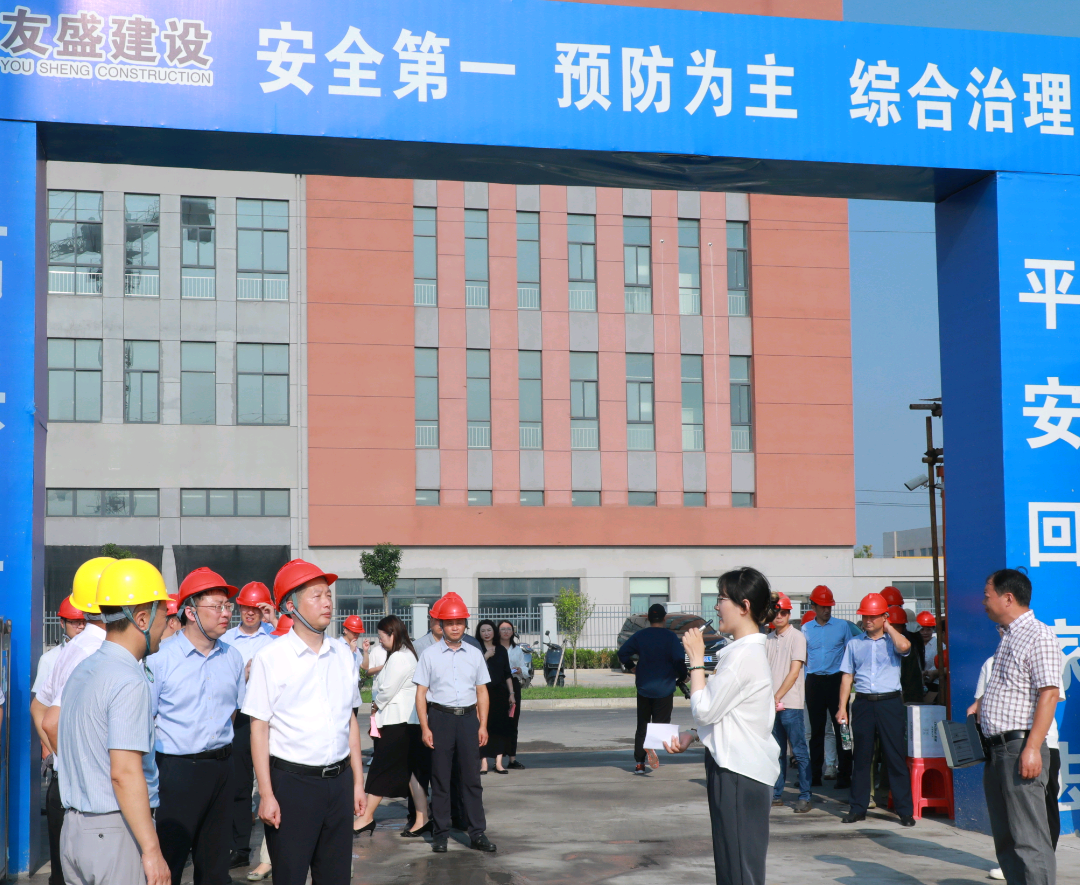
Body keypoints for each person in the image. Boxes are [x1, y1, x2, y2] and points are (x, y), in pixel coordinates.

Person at [242, 560, 365, 885]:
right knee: (291, 876)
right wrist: (266, 794)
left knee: (336, 877)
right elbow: (258, 729)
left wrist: (357, 782)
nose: (327, 602)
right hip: (292, 786)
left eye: (328, 594)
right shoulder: (272, 658)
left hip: (338, 784)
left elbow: (350, 721)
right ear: (290, 606)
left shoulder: (342, 654)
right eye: (316, 595)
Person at [57, 558, 172, 885]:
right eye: (164, 613)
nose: (167, 624)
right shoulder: (128, 680)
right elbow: (124, 772)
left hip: (74, 832)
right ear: (142, 617)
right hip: (115, 831)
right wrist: (151, 850)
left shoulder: (84, 668)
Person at [664, 568, 780, 885]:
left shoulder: (745, 656)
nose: (716, 607)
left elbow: (704, 710)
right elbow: (724, 716)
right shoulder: (741, 653)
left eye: (721, 599)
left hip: (739, 774)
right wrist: (691, 735)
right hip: (733, 768)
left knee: (739, 870)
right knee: (732, 867)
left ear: (743, 606)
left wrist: (697, 660)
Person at [146, 568, 245, 885]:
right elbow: (144, 721)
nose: (226, 613)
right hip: (177, 772)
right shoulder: (161, 659)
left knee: (216, 866)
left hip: (222, 768)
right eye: (216, 606)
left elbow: (232, 713)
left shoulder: (232, 657)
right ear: (190, 611)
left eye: (228, 606)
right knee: (169, 862)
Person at [968, 568, 1064, 885]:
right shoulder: (1009, 638)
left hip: (1020, 749)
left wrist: (1033, 748)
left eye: (987, 595)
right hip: (998, 751)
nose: (983, 602)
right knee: (1007, 839)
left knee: (1029, 841)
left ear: (1008, 598)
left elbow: (1049, 694)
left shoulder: (1038, 635)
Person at [32, 557, 116, 885]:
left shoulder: (75, 648)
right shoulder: (94, 651)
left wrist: (63, 761)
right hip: (96, 799)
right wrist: (75, 764)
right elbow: (50, 720)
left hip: (77, 790)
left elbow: (39, 710)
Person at [413, 592, 496, 854]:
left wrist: (482, 725)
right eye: (449, 623)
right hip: (440, 719)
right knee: (440, 778)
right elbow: (421, 694)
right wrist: (425, 727)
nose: (455, 627)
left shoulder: (474, 654)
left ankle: (477, 833)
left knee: (472, 778)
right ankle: (440, 833)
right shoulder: (428, 655)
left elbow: (482, 691)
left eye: (459, 622)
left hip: (469, 719)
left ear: (464, 624)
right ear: (440, 625)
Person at [836, 592, 915, 826]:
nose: (867, 620)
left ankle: (904, 811)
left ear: (884, 617)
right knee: (861, 757)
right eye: (865, 616)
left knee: (895, 756)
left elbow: (905, 646)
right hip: (862, 703)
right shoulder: (854, 644)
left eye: (873, 616)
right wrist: (843, 708)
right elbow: (847, 677)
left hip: (890, 703)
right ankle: (858, 807)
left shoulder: (894, 640)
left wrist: (889, 627)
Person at [352, 615, 431, 837]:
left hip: (399, 721)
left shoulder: (400, 657)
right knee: (410, 772)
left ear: (393, 634)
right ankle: (423, 817)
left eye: (382, 637)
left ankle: (366, 817)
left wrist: (375, 705)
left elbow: (387, 689)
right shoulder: (403, 654)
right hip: (405, 721)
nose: (380, 641)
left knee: (381, 769)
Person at [222, 581, 277, 869]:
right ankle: (241, 847)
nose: (250, 613)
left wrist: (276, 622)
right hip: (241, 718)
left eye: (256, 608)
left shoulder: (275, 637)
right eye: (246, 608)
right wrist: (242, 676)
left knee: (275, 782)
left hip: (271, 719)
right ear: (239, 608)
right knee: (241, 785)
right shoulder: (228, 640)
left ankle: (276, 848)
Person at [617, 603, 688, 774]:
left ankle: (639, 763)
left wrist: (630, 666)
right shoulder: (670, 637)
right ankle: (651, 746)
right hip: (664, 688)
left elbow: (622, 653)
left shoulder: (640, 635)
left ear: (648, 619)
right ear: (664, 618)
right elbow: (679, 660)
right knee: (661, 725)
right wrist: (683, 675)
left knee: (642, 725)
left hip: (644, 687)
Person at [802, 584, 855, 789]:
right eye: (822, 606)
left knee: (842, 728)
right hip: (814, 682)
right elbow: (804, 656)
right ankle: (814, 775)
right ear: (813, 606)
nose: (826, 610)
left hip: (836, 681)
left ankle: (844, 775)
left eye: (829, 606)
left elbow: (850, 654)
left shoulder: (842, 627)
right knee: (815, 731)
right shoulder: (806, 629)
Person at [766, 593, 811, 813]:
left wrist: (777, 696)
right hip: (772, 705)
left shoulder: (797, 637)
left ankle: (805, 795)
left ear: (789, 614)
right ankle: (776, 794)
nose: (779, 616)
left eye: (783, 612)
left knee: (799, 751)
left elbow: (795, 672)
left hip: (790, 704)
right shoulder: (768, 639)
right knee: (777, 752)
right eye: (776, 612)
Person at [476, 620, 515, 775]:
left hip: (500, 694)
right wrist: (485, 656)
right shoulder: (476, 650)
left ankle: (498, 763)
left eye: (489, 630)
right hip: (483, 693)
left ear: (494, 632)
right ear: (479, 633)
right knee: (483, 727)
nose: (486, 633)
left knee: (499, 728)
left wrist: (511, 694)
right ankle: (483, 763)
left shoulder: (501, 650)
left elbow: (507, 674)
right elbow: (474, 671)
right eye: (483, 631)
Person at [498, 621, 528, 770]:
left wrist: (519, 670)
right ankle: (497, 760)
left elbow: (525, 669)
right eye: (502, 629)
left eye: (508, 629)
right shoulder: (494, 648)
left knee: (512, 723)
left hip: (514, 686)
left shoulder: (517, 650)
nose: (506, 632)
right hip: (498, 687)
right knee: (498, 723)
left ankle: (512, 758)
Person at [917, 611, 940, 698]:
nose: (925, 632)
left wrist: (928, 673)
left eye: (928, 629)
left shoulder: (940, 646)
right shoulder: (914, 645)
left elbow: (941, 664)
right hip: (918, 685)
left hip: (934, 685)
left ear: (933, 629)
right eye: (922, 629)